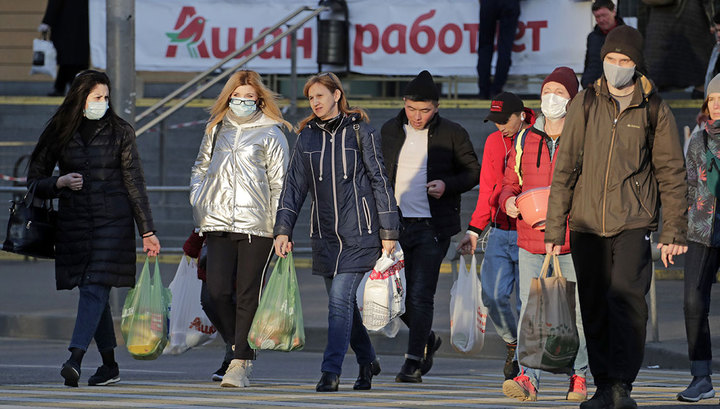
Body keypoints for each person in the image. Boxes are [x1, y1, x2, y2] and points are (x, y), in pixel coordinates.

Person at [545, 26, 688, 409]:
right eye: (612, 59)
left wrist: (672, 229)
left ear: (636, 64)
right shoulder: (586, 102)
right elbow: (565, 170)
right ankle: (604, 385)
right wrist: (555, 226)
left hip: (633, 221)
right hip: (587, 223)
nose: (617, 67)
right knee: (593, 306)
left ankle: (623, 384)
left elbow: (672, 173)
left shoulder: (654, 108)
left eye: (625, 61)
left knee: (627, 301)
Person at [26, 69, 160, 387]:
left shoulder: (120, 131)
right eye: (96, 97)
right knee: (92, 290)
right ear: (80, 98)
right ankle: (110, 366)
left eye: (106, 97)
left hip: (113, 220)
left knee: (93, 287)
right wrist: (58, 181)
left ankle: (75, 358)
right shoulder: (60, 130)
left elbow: (134, 181)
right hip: (74, 222)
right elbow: (34, 179)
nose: (103, 102)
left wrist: (147, 230)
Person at [273, 72, 399, 392]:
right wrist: (283, 229)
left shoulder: (361, 132)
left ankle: (331, 370)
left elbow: (380, 181)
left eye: (320, 96)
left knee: (340, 299)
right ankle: (367, 360)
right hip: (325, 235)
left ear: (337, 96)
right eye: (310, 98)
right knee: (341, 307)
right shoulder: (307, 137)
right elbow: (293, 189)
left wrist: (389, 231)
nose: (314, 102)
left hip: (361, 232)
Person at [190, 70, 290, 388]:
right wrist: (199, 199)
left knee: (247, 294)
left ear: (259, 99)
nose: (242, 101)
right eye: (237, 96)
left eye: (248, 97)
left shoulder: (272, 133)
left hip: (258, 227)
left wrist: (281, 229)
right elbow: (200, 167)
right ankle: (241, 348)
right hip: (217, 223)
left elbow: (280, 183)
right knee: (216, 292)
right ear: (228, 96)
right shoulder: (216, 128)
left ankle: (239, 363)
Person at [381, 70, 481, 383]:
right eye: (412, 109)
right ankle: (426, 339)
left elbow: (472, 172)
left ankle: (412, 363)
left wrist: (446, 185)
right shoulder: (389, 130)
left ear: (436, 107)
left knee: (421, 295)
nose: (418, 116)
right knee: (390, 297)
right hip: (394, 228)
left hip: (432, 228)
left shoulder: (452, 132)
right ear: (404, 104)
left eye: (425, 110)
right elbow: (377, 175)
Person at [496, 68, 588, 402]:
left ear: (573, 99)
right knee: (530, 313)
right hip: (530, 239)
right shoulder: (524, 138)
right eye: (548, 90)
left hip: (572, 239)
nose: (552, 97)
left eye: (560, 92)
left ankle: (578, 377)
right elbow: (510, 181)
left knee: (575, 314)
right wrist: (508, 201)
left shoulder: (584, 136)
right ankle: (528, 379)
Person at [457, 92, 534, 381]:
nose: (500, 126)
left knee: (525, 303)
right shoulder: (493, 142)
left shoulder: (538, 136)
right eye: (495, 120)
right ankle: (512, 344)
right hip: (500, 231)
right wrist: (475, 230)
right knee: (492, 295)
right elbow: (488, 189)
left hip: (531, 232)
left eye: (505, 120)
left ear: (521, 115)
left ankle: (526, 368)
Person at [677, 73, 720, 403]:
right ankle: (701, 376)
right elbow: (687, 188)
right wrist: (675, 231)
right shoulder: (698, 140)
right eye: (712, 100)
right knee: (693, 301)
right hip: (701, 230)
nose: (716, 105)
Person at [182, 231, 234, 382]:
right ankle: (237, 347)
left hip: (242, 251)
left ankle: (233, 359)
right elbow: (204, 216)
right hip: (213, 254)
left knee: (236, 307)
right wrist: (193, 244)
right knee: (209, 302)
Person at [644, 0, 716, 98]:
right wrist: (712, 19)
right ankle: (701, 88)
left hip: (659, 15)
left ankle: (653, 88)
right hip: (691, 14)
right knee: (698, 50)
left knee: (657, 53)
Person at [38, 0, 90, 96]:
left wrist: (46, 22)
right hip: (83, 25)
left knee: (67, 59)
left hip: (65, 25)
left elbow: (54, 4)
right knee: (74, 59)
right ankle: (64, 87)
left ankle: (66, 87)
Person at [477, 0, 521, 99]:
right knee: (505, 47)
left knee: (485, 46)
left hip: (489, 3)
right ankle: (496, 89)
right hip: (510, 4)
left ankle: (483, 90)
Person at [581, 0, 625, 89]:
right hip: (593, 88)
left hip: (618, 89)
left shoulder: (627, 35)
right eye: (597, 16)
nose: (601, 20)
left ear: (614, 12)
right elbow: (589, 63)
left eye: (604, 15)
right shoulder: (592, 37)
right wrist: (586, 81)